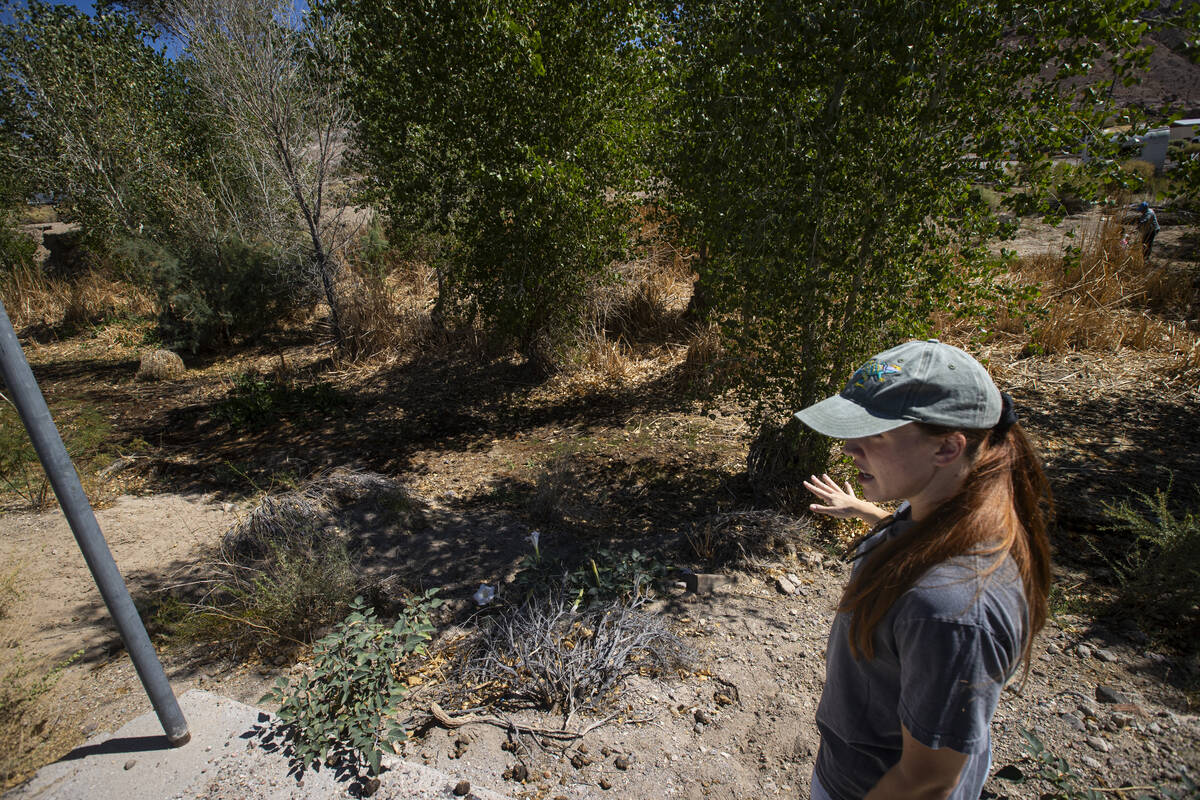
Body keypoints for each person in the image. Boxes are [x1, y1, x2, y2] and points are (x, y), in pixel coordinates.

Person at [794, 339, 1052, 800]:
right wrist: (865, 511)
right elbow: (919, 538)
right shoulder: (950, 507)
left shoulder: (950, 608)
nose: (850, 447)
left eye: (876, 435)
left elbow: (926, 781)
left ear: (948, 447)